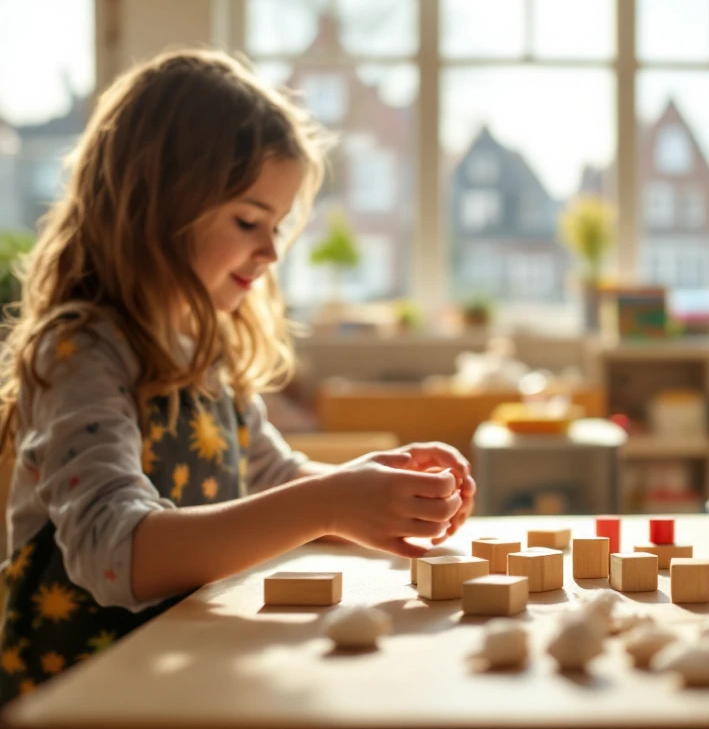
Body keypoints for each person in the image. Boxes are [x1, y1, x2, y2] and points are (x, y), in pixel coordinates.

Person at [0, 49, 475, 701]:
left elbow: (270, 478)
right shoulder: (80, 353)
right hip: (77, 695)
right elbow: (114, 551)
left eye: (277, 226)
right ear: (155, 207)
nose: (273, 250)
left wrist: (369, 488)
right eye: (249, 221)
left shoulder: (204, 348)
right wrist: (330, 502)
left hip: (184, 673)